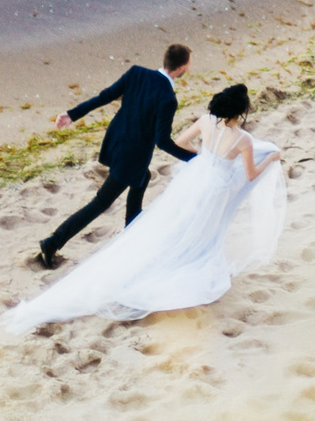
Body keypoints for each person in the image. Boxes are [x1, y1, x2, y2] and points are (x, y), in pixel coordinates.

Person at [2, 83, 286, 332]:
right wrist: (271, 158)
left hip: (197, 177)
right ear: (240, 111)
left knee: (179, 224)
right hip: (216, 188)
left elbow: (179, 142)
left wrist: (205, 159)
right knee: (201, 232)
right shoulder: (243, 139)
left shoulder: (205, 121)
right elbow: (250, 175)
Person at [34, 43, 199, 269]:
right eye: (188, 65)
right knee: (101, 202)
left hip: (117, 143)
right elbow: (163, 142)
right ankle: (53, 242)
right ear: (180, 68)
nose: (188, 68)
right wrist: (195, 159)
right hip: (132, 157)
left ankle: (133, 229)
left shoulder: (136, 73)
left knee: (143, 179)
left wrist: (72, 114)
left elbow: (105, 96)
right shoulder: (168, 98)